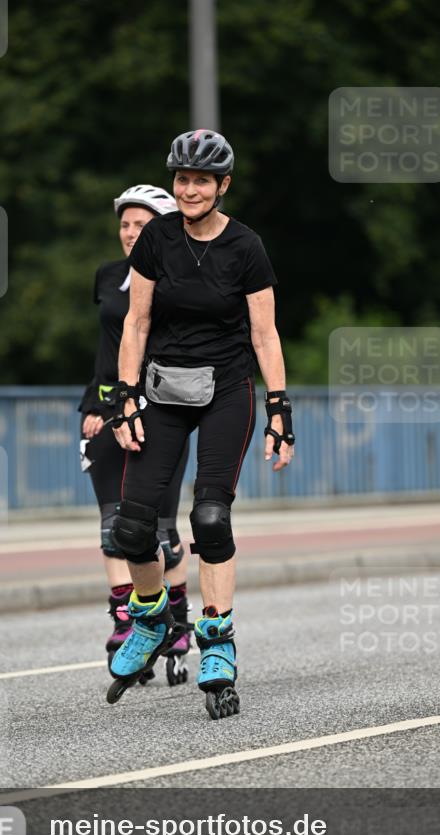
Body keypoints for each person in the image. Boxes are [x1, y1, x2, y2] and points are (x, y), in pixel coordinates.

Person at [107, 130, 295, 719]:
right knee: (132, 529)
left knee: (210, 517)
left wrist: (279, 409)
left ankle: (217, 642)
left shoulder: (246, 246)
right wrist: (125, 397)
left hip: (226, 391)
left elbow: (264, 333)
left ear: (222, 186)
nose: (189, 189)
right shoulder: (157, 239)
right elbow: (135, 322)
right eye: (181, 179)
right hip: (162, 390)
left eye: (201, 181)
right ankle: (152, 617)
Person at [79, 184, 192, 686]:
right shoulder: (106, 275)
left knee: (161, 531)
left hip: (162, 409)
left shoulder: (181, 277)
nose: (129, 232)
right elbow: (108, 347)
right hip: (108, 410)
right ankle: (129, 624)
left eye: (140, 224)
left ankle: (180, 626)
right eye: (124, 224)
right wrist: (94, 403)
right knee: (113, 529)